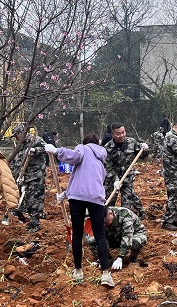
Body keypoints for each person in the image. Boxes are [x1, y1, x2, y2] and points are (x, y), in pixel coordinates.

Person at [45, 134, 116, 288]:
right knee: (100, 235)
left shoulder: (83, 149)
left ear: (85, 143)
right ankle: (105, 273)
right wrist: (65, 193)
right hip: (96, 199)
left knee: (77, 234)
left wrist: (57, 151)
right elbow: (90, 181)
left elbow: (73, 156)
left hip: (77, 198)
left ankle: (78, 271)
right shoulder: (101, 159)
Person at [103, 123, 149, 219]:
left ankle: (130, 219)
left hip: (127, 178)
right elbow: (107, 167)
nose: (122, 135)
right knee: (109, 204)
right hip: (112, 181)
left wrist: (145, 150)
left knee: (127, 206)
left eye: (123, 132)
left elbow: (142, 155)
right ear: (113, 135)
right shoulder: (107, 148)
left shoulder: (132, 142)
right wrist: (115, 180)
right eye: (118, 133)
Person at [9, 124, 49, 233]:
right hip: (24, 177)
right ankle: (30, 221)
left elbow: (47, 149)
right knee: (26, 200)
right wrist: (15, 175)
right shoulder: (19, 145)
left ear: (22, 133)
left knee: (35, 200)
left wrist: (35, 150)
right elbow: (17, 161)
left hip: (36, 176)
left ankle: (35, 223)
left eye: (16, 135)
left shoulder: (36, 140)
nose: (16, 138)